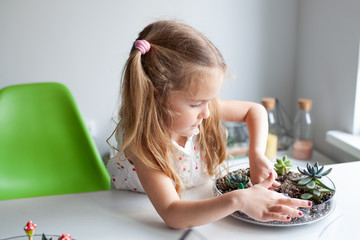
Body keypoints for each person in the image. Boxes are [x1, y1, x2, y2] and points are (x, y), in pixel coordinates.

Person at [107, 20, 311, 228]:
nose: (207, 112)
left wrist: (256, 154)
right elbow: (173, 214)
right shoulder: (143, 143)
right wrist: (239, 199)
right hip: (135, 205)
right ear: (155, 97)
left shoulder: (201, 110)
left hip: (196, 194)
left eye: (210, 100)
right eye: (196, 104)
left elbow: (254, 111)